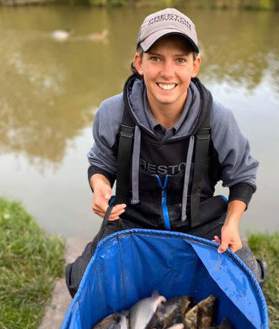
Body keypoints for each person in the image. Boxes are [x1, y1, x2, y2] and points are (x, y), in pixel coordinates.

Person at [66, 8, 266, 297]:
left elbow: (243, 177)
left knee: (248, 285)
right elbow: (100, 164)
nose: (167, 72)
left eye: (180, 60)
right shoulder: (112, 112)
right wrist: (100, 186)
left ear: (195, 66)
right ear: (139, 63)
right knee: (80, 283)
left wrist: (232, 222)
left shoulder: (218, 118)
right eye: (156, 58)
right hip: (131, 220)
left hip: (200, 222)